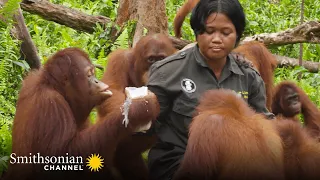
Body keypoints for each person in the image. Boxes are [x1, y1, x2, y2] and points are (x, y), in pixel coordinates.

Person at [146, 0, 275, 179]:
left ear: (237, 35)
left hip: (231, 164)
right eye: (209, 31)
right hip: (177, 164)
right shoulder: (168, 72)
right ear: (197, 32)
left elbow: (264, 125)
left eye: (225, 32)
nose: (216, 39)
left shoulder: (248, 76)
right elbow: (145, 127)